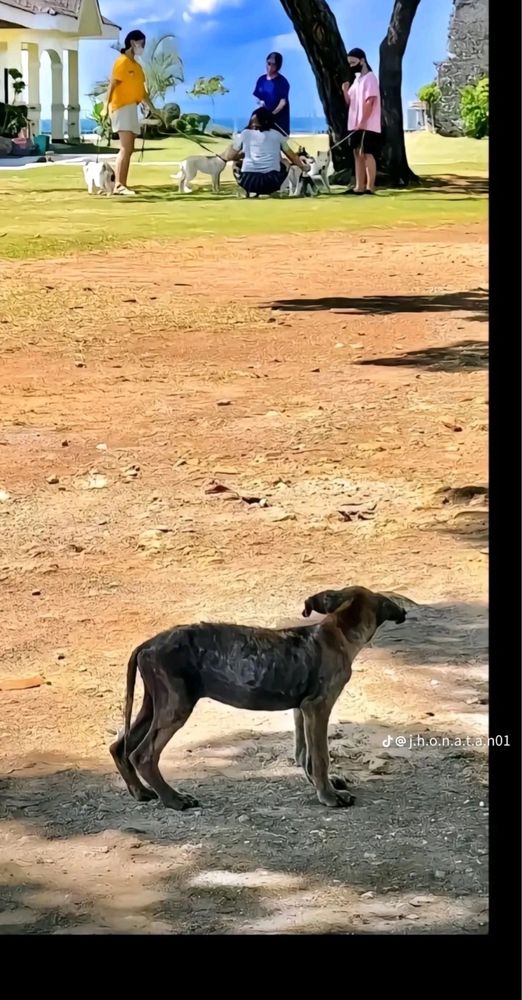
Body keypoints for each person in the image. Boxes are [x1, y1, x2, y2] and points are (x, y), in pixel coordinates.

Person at [103, 30, 154, 196]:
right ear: (133, 43)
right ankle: (118, 185)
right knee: (125, 148)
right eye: (142, 44)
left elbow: (143, 93)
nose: (143, 47)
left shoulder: (137, 67)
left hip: (131, 108)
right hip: (120, 107)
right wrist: (105, 106)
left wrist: (155, 110)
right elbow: (112, 85)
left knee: (130, 148)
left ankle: (121, 183)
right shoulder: (122, 62)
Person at [223, 108, 308, 197]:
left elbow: (229, 156)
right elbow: (293, 157)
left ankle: (246, 190)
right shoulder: (277, 135)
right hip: (272, 182)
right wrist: (303, 167)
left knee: (235, 163)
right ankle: (274, 190)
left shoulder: (245, 134)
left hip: (248, 181)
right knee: (285, 162)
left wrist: (240, 155)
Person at [342, 47, 382, 195]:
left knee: (367, 153)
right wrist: (345, 91)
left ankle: (370, 186)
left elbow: (370, 101)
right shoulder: (357, 80)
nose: (351, 66)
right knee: (357, 153)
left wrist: (363, 121)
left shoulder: (370, 78)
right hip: (355, 124)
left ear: (362, 60)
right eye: (350, 63)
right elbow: (349, 102)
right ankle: (359, 186)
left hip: (367, 124)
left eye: (353, 62)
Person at [253, 52, 291, 137]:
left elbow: (283, 102)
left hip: (279, 121)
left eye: (274, 64)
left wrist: (272, 114)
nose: (270, 67)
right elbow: (258, 98)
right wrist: (261, 107)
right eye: (269, 63)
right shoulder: (261, 80)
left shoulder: (282, 82)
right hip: (265, 121)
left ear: (278, 66)